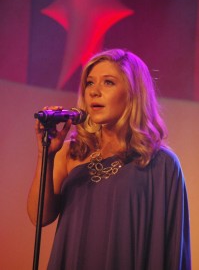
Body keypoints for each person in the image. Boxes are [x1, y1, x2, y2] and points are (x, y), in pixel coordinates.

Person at [27, 48, 191, 270]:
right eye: (90, 83)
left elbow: (172, 250)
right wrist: (44, 157)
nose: (94, 92)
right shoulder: (71, 152)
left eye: (108, 82)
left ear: (134, 93)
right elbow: (40, 217)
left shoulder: (161, 163)